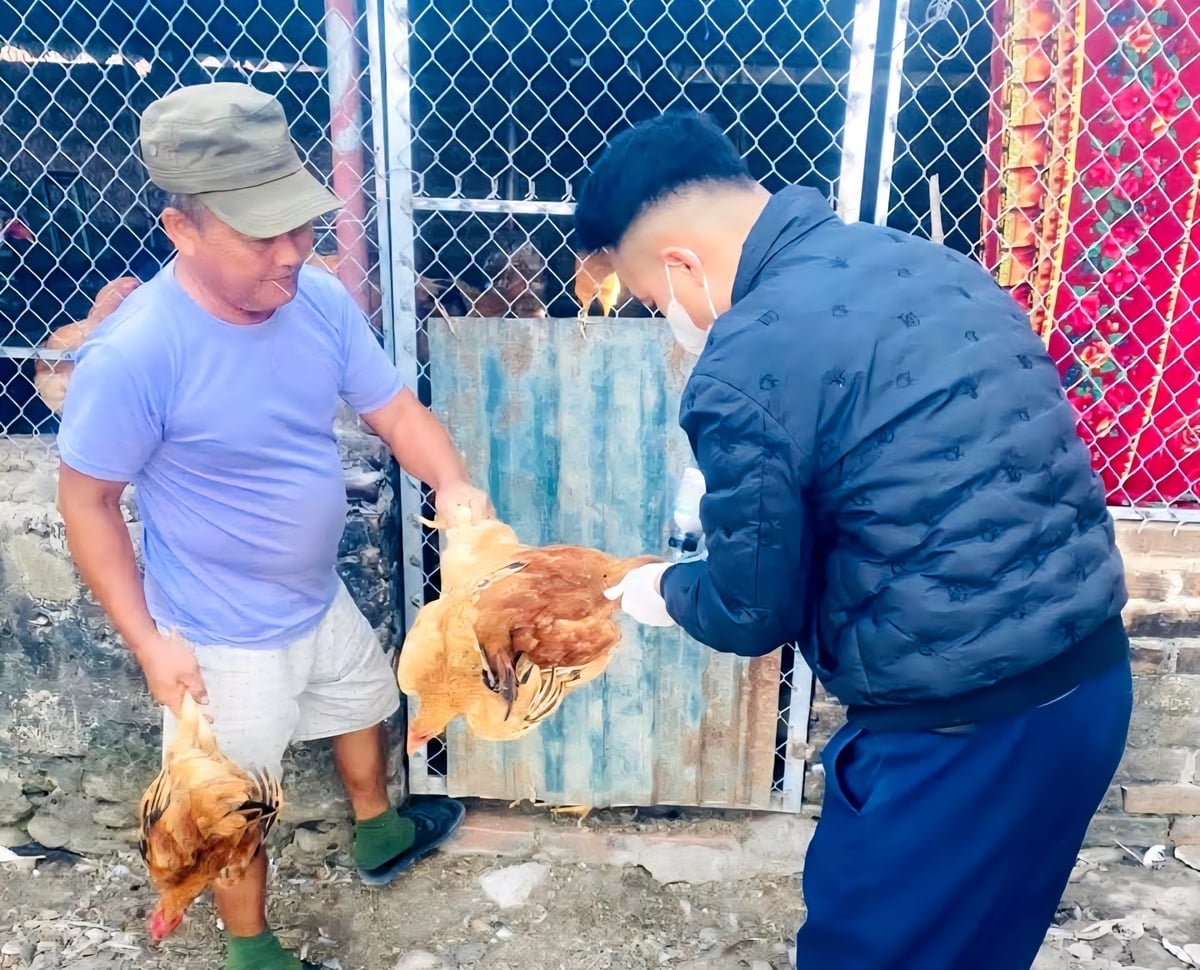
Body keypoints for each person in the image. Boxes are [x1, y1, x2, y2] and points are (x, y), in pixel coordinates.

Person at [583, 111, 1133, 969]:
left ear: (682, 265)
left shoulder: (746, 356)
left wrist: (663, 589)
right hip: (1090, 688)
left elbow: (747, 608)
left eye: (656, 303)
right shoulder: (936, 267)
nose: (672, 322)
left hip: (958, 737)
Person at [56, 82, 492, 970]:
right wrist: (149, 643)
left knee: (364, 701)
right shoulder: (136, 355)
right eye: (264, 236)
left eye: (302, 225)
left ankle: (379, 832)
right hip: (217, 635)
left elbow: (393, 408)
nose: (293, 254)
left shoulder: (318, 300)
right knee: (234, 802)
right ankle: (253, 951)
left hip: (315, 593)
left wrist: (453, 484)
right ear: (183, 231)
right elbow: (85, 503)